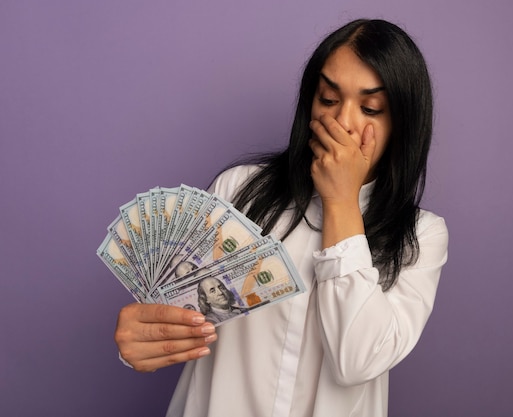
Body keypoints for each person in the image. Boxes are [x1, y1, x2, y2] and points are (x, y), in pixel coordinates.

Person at [114, 18, 448, 417]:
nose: (343, 122)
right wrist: (143, 337)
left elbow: (356, 361)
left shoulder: (421, 238)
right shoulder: (238, 190)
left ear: (403, 123)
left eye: (370, 107)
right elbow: (178, 313)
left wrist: (341, 201)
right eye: (328, 99)